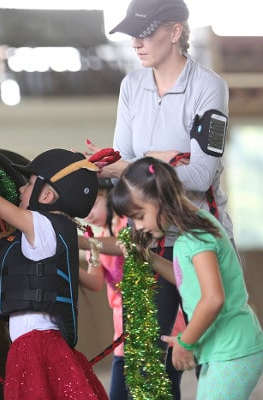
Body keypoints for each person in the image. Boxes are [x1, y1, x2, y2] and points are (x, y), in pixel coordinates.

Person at [87, 0, 236, 395]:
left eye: (145, 32)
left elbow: (201, 175)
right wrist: (156, 160)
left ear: (174, 31)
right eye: (132, 35)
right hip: (148, 238)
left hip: (197, 238)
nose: (135, 43)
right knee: (144, 365)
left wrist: (140, 164)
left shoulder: (208, 87)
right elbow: (123, 168)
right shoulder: (131, 86)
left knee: (212, 362)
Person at [108, 157, 263, 399]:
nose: (137, 227)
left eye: (139, 215)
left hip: (233, 349)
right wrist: (149, 258)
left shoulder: (198, 236)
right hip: (222, 349)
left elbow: (213, 299)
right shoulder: (190, 233)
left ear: (162, 200)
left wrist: (185, 342)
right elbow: (186, 279)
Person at [0, 148, 108, 399]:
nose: (21, 190)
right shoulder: (48, 230)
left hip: (35, 346)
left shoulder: (41, 224)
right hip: (36, 343)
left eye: (30, 183)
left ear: (46, 195)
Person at [79, 178, 186, 399]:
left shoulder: (130, 223)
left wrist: (80, 241)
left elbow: (123, 244)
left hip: (159, 320)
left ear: (111, 195)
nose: (86, 211)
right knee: (119, 394)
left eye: (93, 201)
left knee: (162, 391)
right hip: (124, 329)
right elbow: (95, 282)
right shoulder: (95, 239)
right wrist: (67, 266)